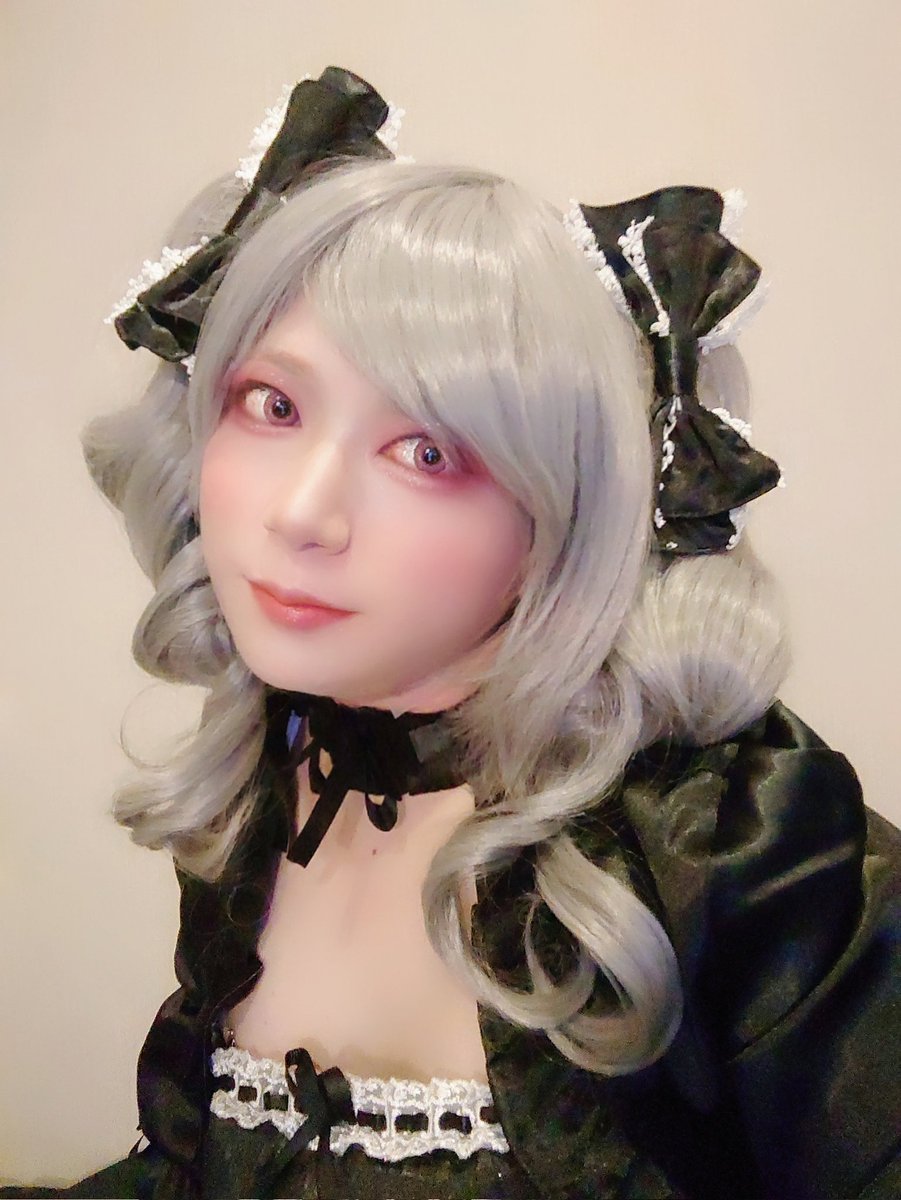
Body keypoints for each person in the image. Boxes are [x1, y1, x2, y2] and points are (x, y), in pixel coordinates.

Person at [4, 65, 899, 1200]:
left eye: (426, 452)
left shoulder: (730, 836)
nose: (302, 513)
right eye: (273, 405)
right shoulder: (280, 768)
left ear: (569, 509)